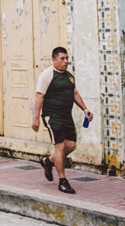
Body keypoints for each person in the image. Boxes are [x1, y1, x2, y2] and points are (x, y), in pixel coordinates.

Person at [31, 46, 92, 195]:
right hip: (52, 116)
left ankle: (48, 161)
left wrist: (85, 109)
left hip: (66, 116)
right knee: (60, 146)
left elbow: (75, 93)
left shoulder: (69, 76)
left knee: (71, 146)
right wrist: (36, 118)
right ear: (54, 60)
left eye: (67, 59)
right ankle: (63, 181)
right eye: (62, 59)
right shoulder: (47, 75)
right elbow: (39, 97)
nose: (66, 62)